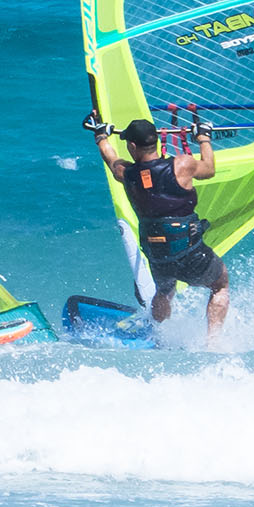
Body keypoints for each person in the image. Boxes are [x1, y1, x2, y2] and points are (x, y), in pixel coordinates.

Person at [85, 113, 231, 340]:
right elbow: (209, 169)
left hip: (157, 253)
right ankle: (213, 342)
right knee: (220, 284)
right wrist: (203, 137)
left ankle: (157, 334)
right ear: (157, 141)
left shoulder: (126, 173)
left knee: (164, 290)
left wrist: (101, 135)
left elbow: (111, 158)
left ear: (132, 146)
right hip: (188, 248)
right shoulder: (182, 165)